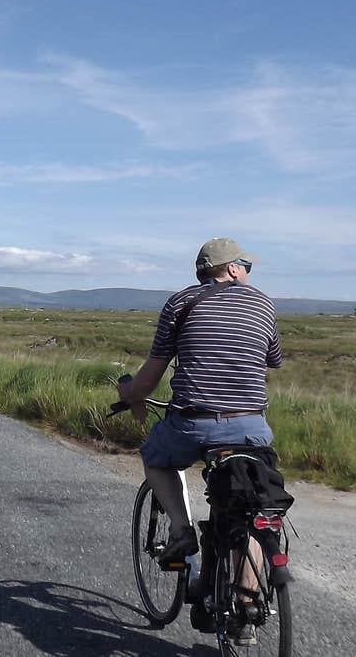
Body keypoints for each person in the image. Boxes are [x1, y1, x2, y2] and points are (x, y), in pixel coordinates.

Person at [117, 237, 283, 639]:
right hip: (251, 426)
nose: (247, 271)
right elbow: (273, 360)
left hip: (194, 422)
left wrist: (130, 394)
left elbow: (152, 374)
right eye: (245, 265)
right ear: (228, 268)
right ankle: (247, 601)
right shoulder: (263, 303)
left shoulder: (182, 303)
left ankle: (181, 531)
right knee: (255, 502)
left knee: (156, 458)